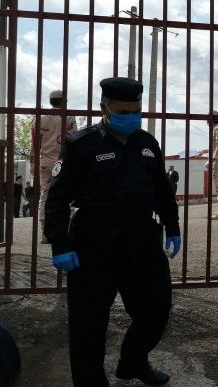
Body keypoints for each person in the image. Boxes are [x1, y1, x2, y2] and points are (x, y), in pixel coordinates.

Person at [44, 76, 181, 387]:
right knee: (87, 324)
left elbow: (161, 191)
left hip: (142, 239)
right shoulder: (81, 144)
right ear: (103, 107)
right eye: (122, 111)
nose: (130, 117)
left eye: (135, 110)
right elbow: (58, 197)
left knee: (156, 310)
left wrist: (172, 226)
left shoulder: (147, 143)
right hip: (94, 241)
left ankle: (132, 362)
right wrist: (60, 244)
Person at [33, 89, 77, 243]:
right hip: (63, 162)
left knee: (44, 195)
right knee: (67, 196)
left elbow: (35, 142)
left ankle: (45, 234)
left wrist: (33, 163)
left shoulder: (41, 117)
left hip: (44, 161)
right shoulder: (69, 117)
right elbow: (73, 140)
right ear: (63, 101)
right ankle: (65, 230)